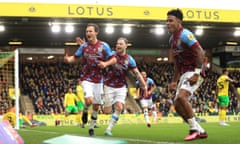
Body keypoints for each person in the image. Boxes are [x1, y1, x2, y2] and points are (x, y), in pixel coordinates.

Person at [64, 23, 116, 136]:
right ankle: (86, 109)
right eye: (87, 31)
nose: (88, 33)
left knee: (96, 106)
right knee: (89, 100)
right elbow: (75, 57)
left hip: (99, 80)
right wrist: (68, 60)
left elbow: (114, 60)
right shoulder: (83, 47)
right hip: (86, 78)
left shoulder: (104, 46)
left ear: (96, 32)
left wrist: (105, 64)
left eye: (90, 31)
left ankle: (91, 128)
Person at [166, 9, 208, 141]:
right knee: (177, 105)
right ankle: (200, 130)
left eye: (170, 20)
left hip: (194, 70)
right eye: (167, 21)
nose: (168, 23)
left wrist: (196, 73)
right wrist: (174, 81)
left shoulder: (185, 34)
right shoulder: (172, 40)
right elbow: (177, 63)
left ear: (179, 21)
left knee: (182, 97)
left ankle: (194, 129)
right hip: (184, 72)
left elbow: (200, 52)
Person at [101, 37, 148, 136]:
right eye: (117, 43)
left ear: (126, 46)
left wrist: (143, 85)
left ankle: (108, 129)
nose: (118, 45)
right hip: (108, 85)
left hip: (121, 87)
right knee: (107, 111)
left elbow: (137, 73)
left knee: (119, 107)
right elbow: (99, 56)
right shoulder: (111, 55)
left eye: (121, 44)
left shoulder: (129, 59)